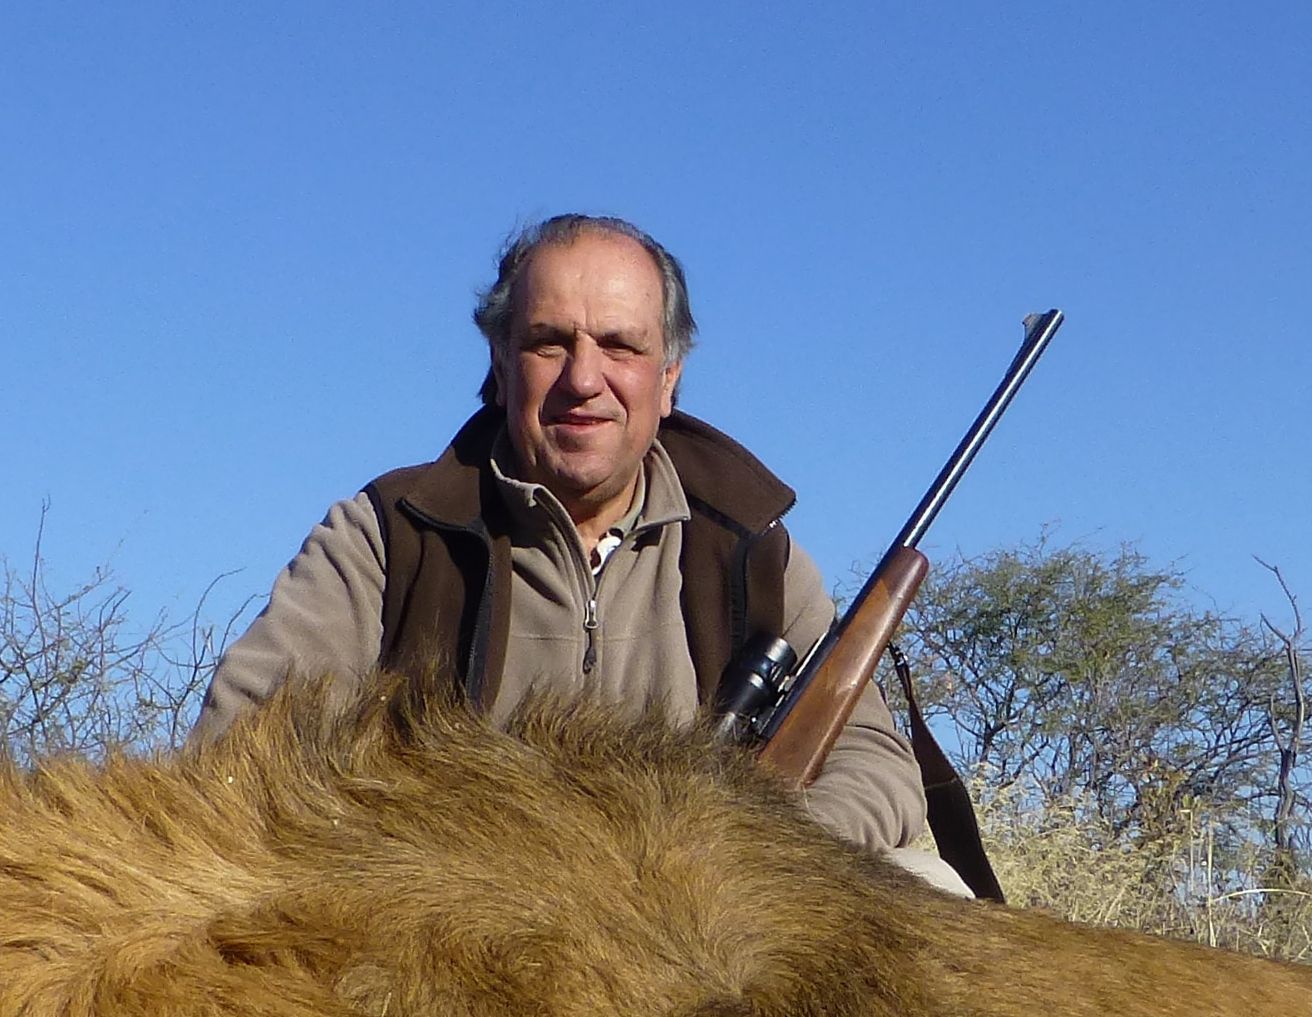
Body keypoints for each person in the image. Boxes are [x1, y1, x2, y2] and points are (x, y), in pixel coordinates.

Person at [196, 214, 975, 889]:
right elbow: (241, 753)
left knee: (925, 884)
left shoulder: (752, 548)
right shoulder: (386, 534)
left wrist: (755, 854)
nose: (584, 380)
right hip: (449, 922)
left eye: (620, 346)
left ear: (668, 379)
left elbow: (876, 764)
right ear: (500, 366)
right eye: (548, 343)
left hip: (709, 922)